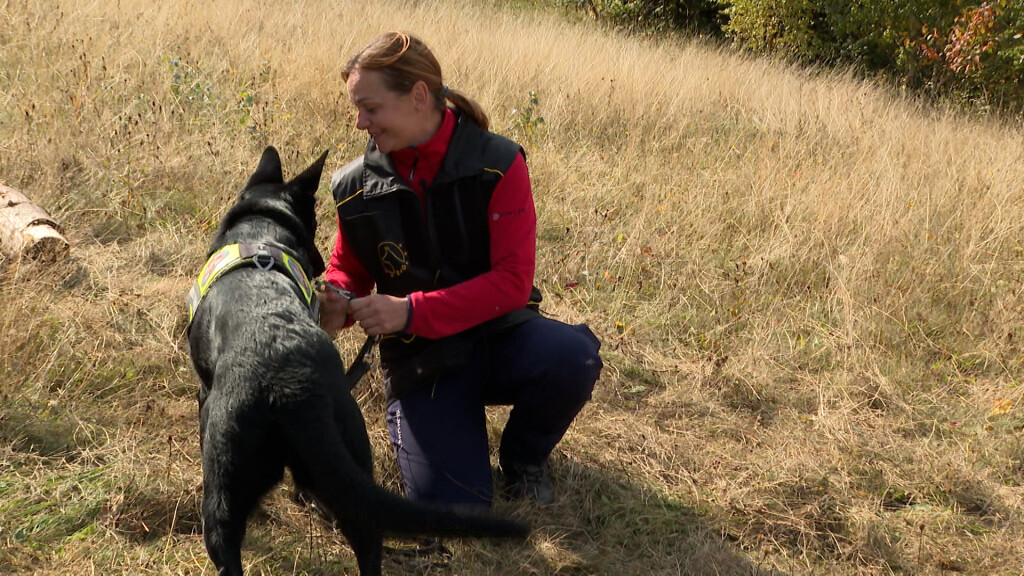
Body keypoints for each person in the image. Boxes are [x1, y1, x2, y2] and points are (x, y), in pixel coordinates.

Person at [318, 31, 602, 508]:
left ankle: (524, 460)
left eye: (370, 108)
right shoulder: (354, 186)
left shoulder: (498, 164)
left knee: (574, 357)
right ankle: (449, 433)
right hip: (421, 362)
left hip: (501, 338)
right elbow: (348, 269)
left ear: (419, 96)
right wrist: (335, 303)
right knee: (457, 508)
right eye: (356, 109)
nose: (359, 122)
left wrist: (408, 311)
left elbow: (512, 284)